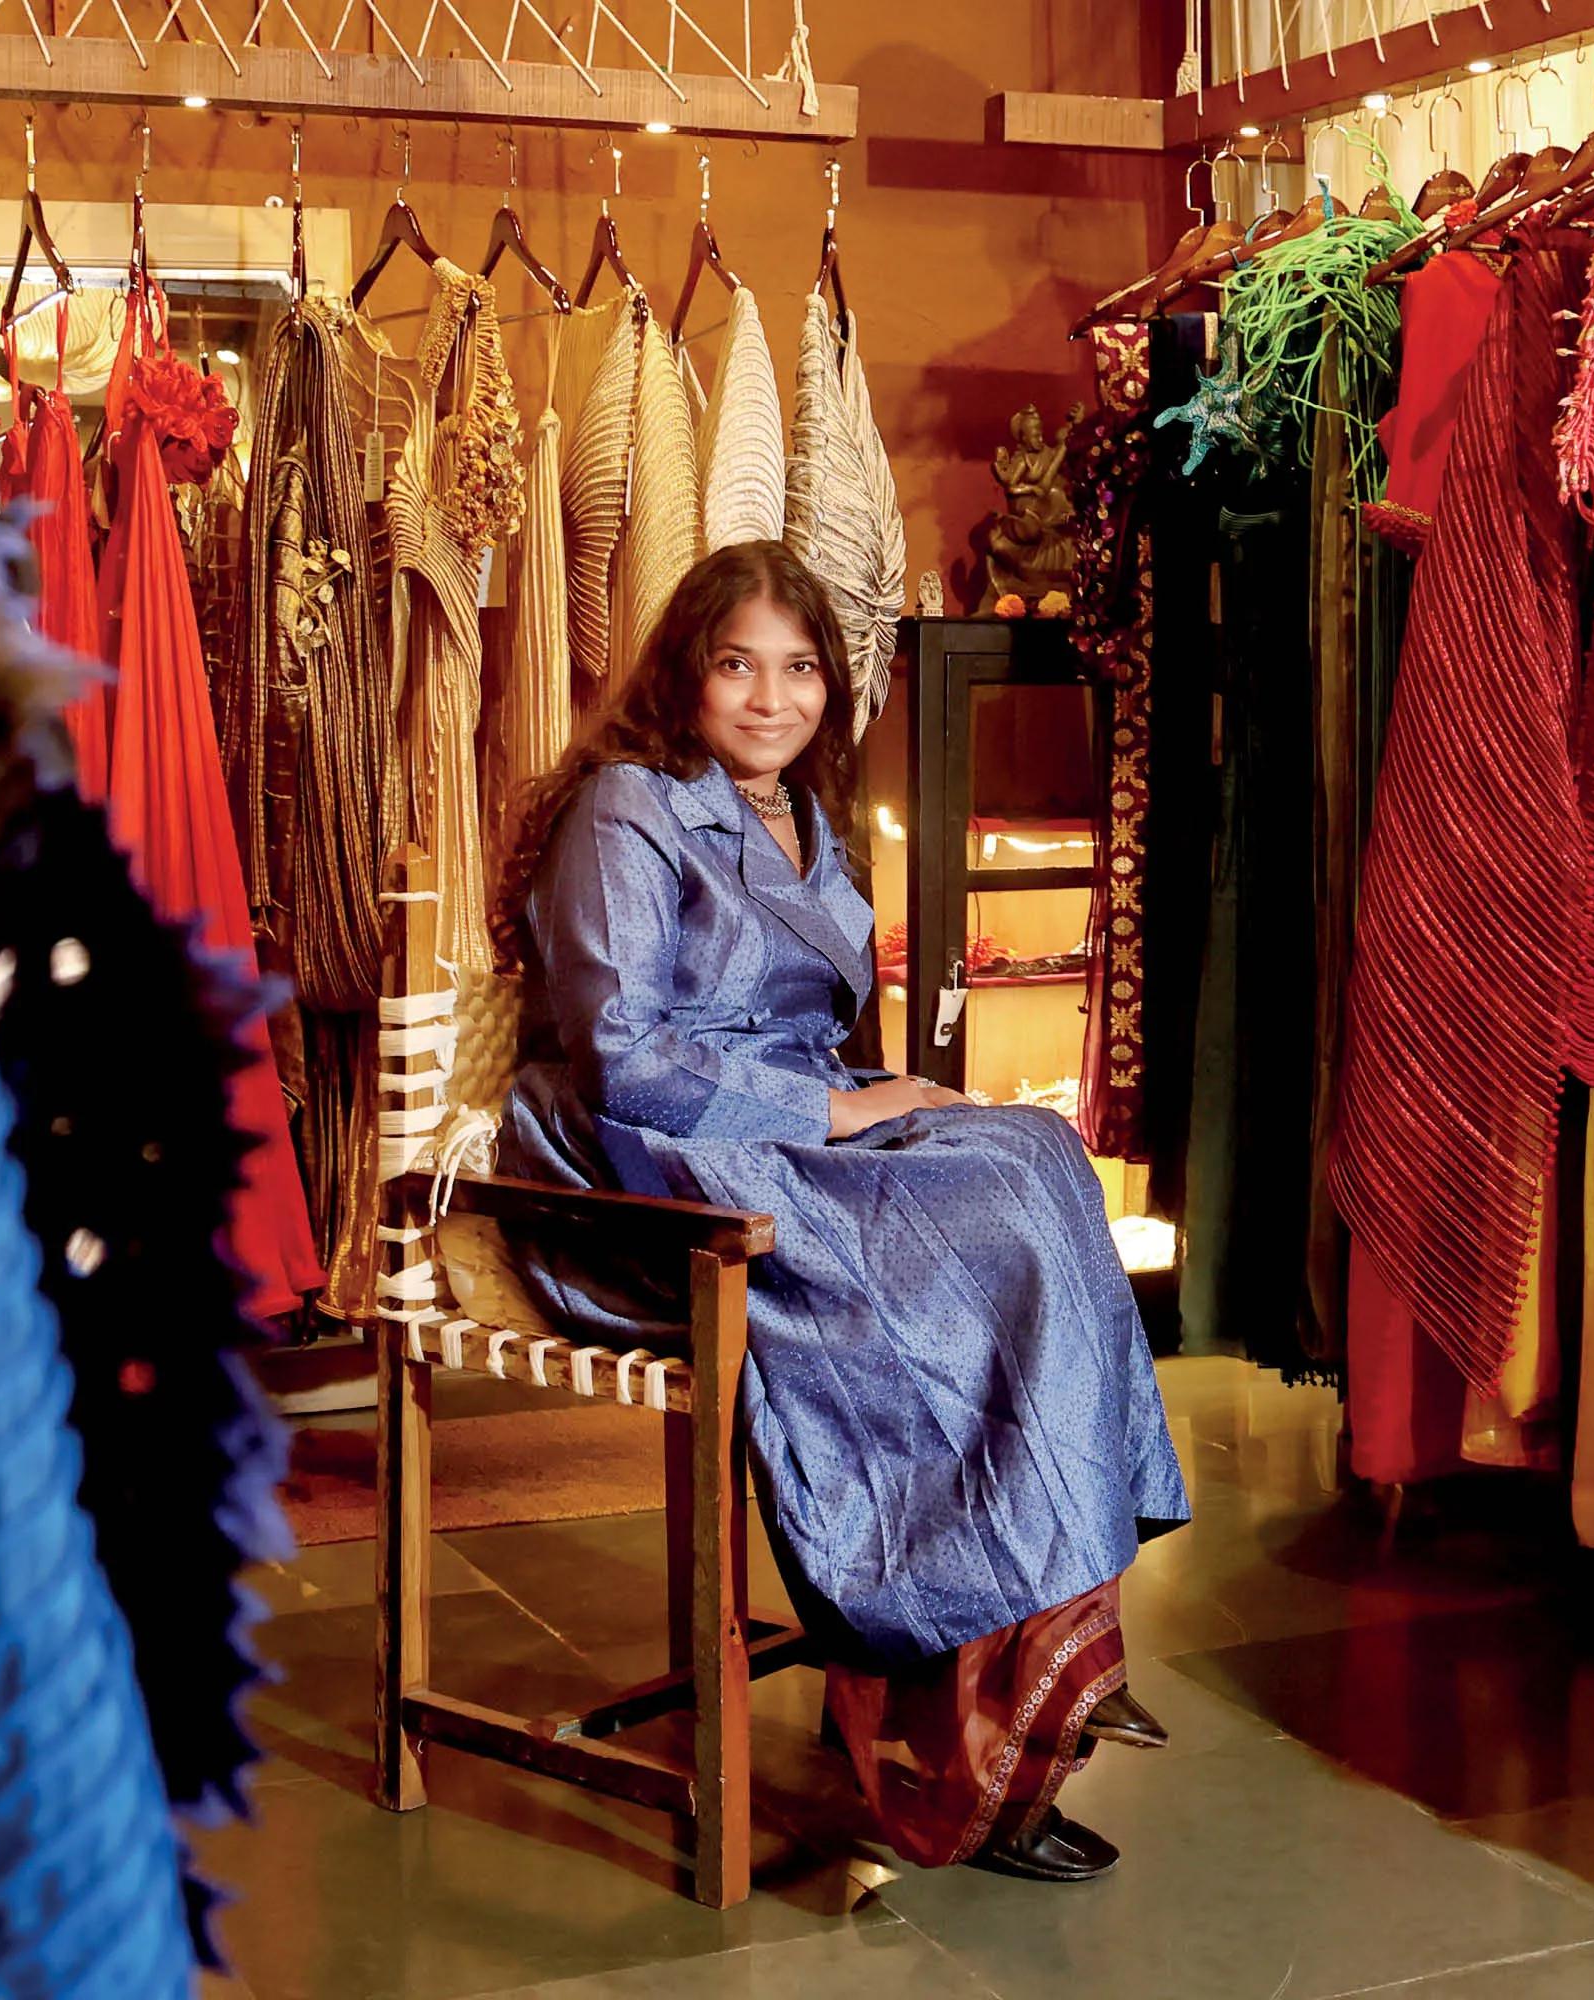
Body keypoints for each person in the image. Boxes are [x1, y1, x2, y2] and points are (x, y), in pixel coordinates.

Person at [491, 540, 1191, 1882]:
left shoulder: (803, 811)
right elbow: (621, 1055)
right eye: (737, 665)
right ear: (684, 673)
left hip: (786, 1111)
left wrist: (867, 1101)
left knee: (1038, 1156)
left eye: (800, 667)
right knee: (951, 1248)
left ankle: (1051, 1622)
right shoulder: (628, 806)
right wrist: (838, 1113)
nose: (771, 698)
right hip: (645, 1150)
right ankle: (975, 1704)